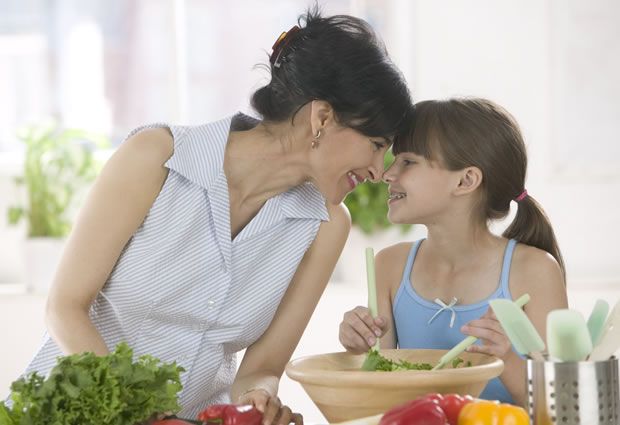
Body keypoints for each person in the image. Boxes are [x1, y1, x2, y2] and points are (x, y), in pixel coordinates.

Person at [14, 8, 412, 424]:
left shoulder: (327, 227)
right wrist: (137, 413)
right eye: (375, 143)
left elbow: (260, 369)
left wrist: (260, 400)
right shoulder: (158, 157)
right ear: (323, 117)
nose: (379, 170)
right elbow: (65, 308)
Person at [338, 98, 568, 406]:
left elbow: (561, 409)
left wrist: (507, 361)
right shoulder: (389, 266)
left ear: (466, 180)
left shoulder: (535, 271)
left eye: (408, 162)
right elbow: (383, 392)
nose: (387, 175)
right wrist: (362, 348)